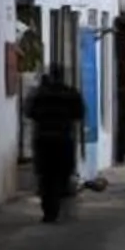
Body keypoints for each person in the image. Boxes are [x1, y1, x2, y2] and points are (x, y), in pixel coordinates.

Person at [23, 62, 88, 224]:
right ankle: (58, 206)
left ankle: (49, 211)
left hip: (43, 139)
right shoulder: (70, 93)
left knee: (45, 176)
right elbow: (79, 113)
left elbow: (29, 111)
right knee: (62, 173)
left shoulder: (40, 93)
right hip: (63, 138)